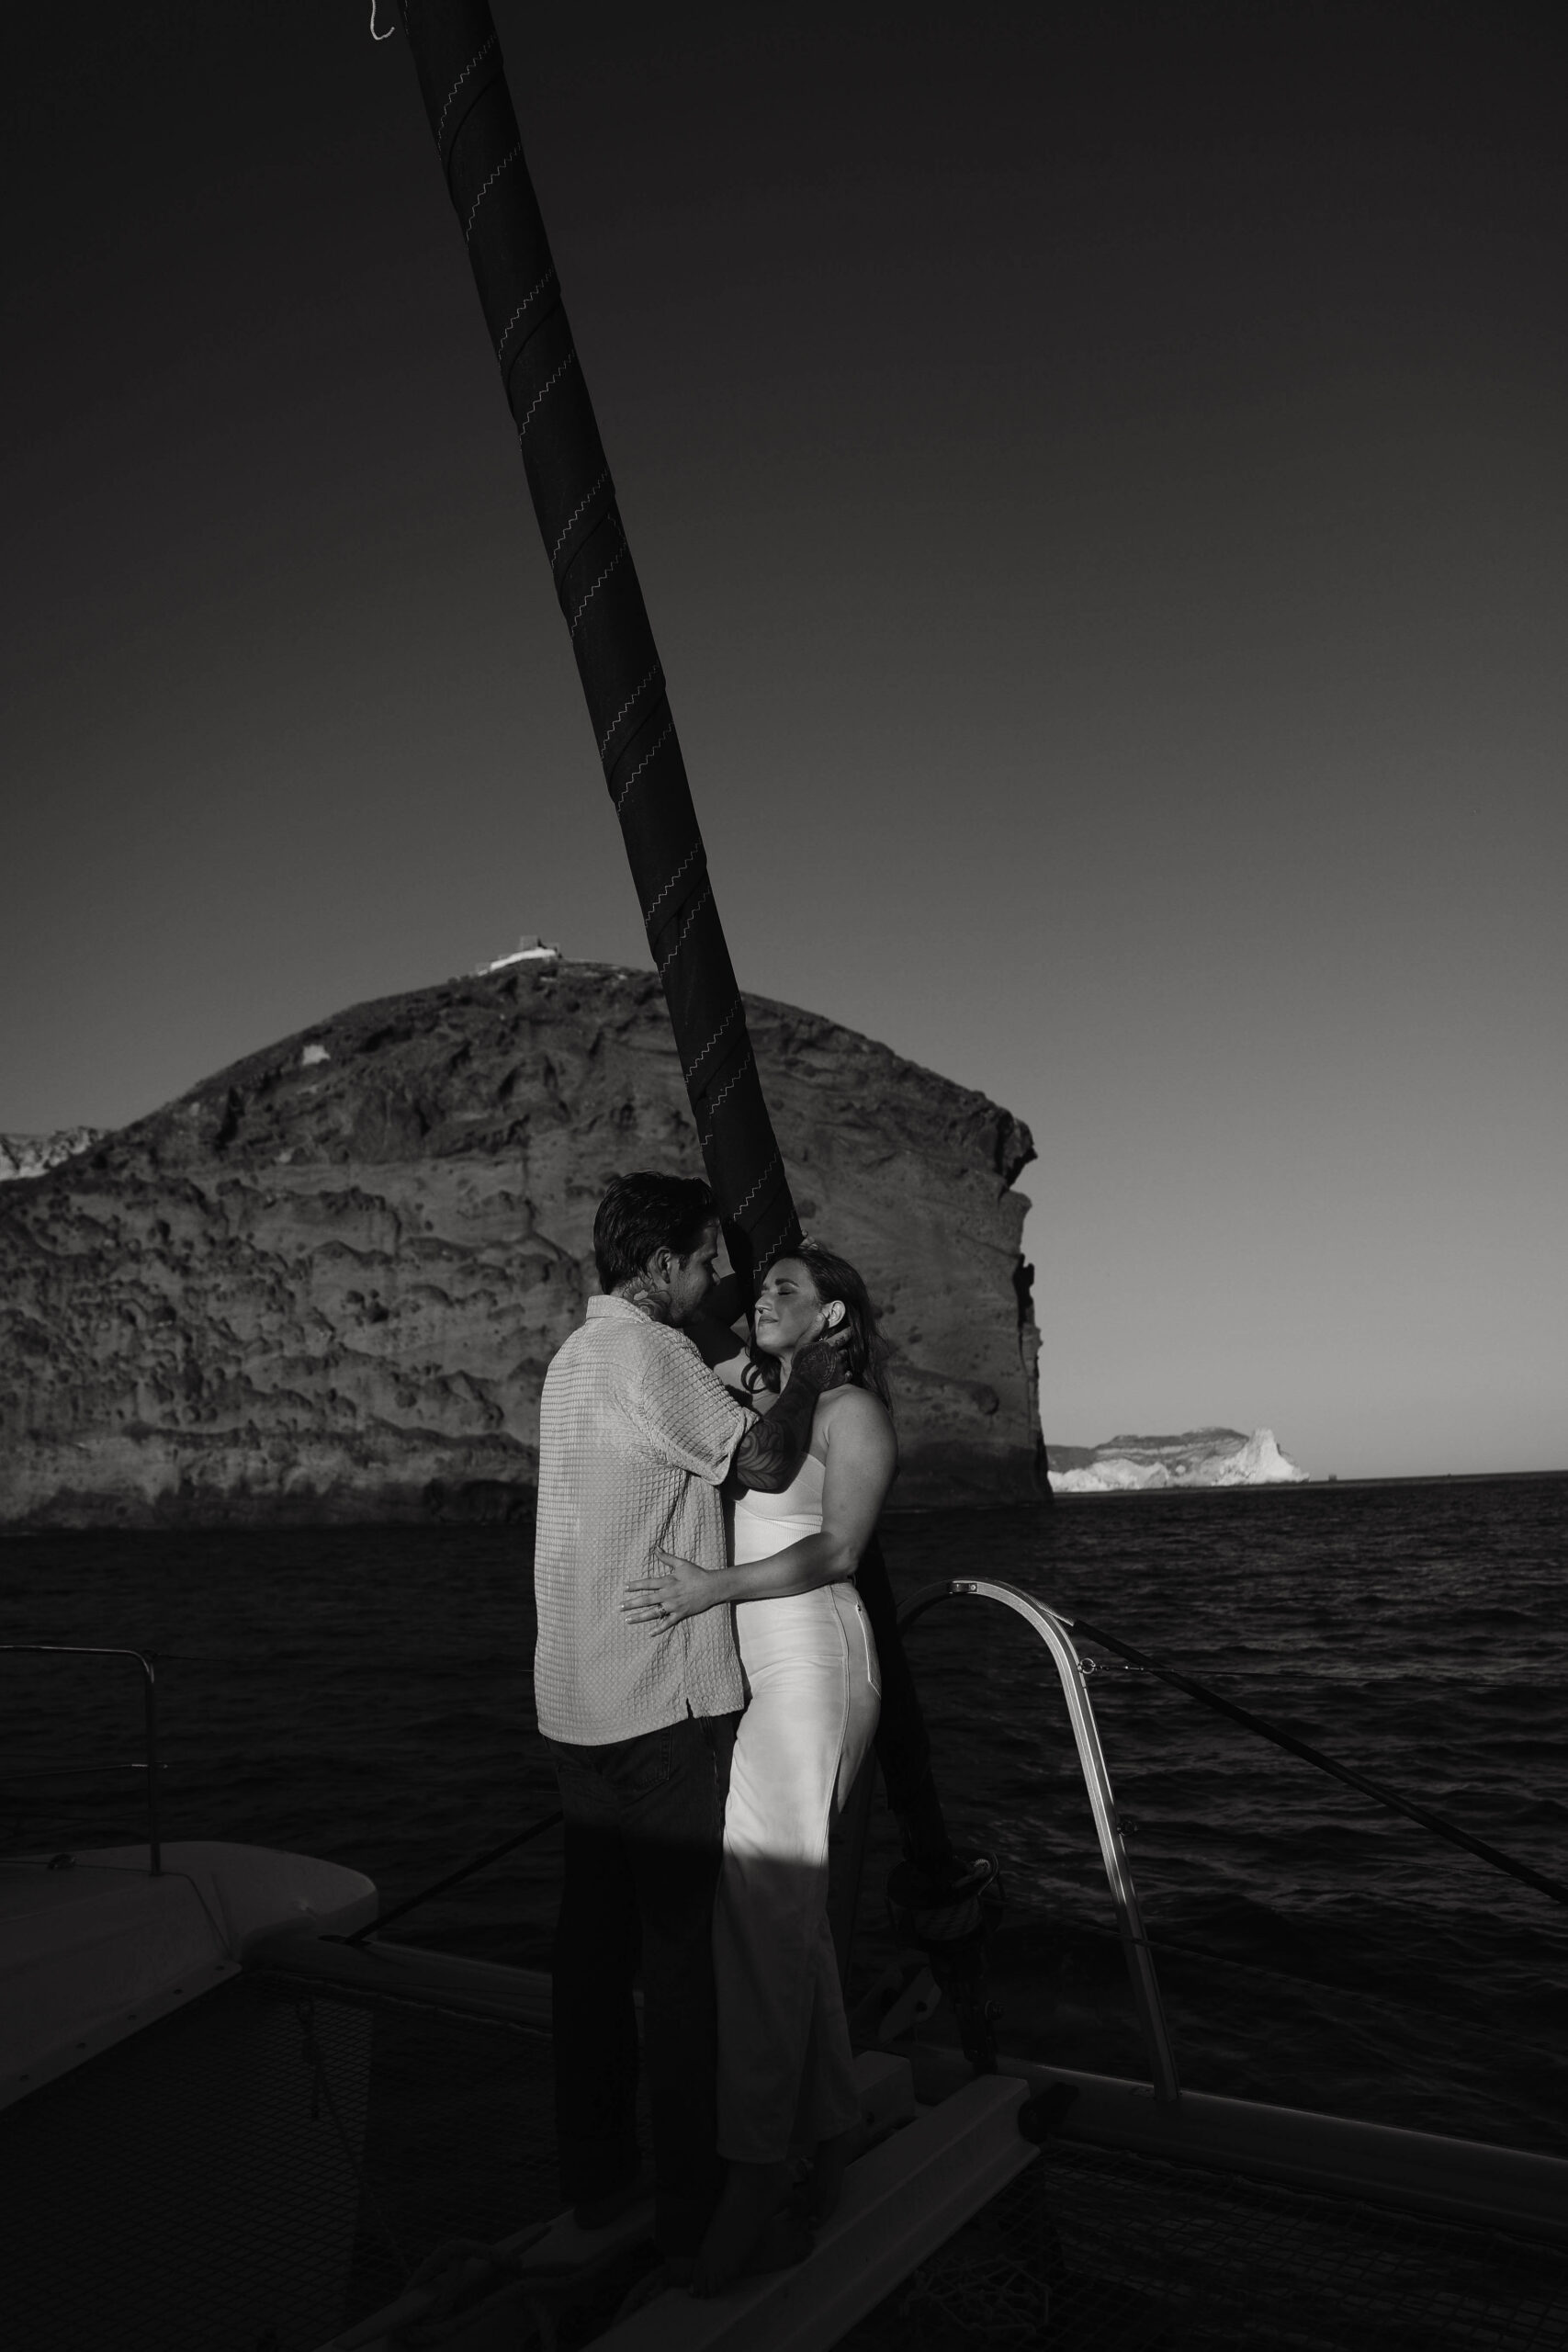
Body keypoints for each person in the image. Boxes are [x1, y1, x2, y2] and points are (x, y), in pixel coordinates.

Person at [533, 1172, 850, 2272]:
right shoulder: (646, 1357)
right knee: (678, 1970)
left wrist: (735, 1358)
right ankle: (695, 2215)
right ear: (662, 1265)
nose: (719, 1279)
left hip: (574, 1707)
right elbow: (762, 1458)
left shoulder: (577, 1358)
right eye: (708, 1259)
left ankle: (598, 2181)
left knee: (589, 1958)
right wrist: (805, 1373)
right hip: (659, 1704)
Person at [623, 1240, 897, 2291]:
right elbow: (705, 1327)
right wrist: (760, 1294)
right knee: (787, 1921)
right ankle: (828, 2137)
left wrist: (709, 1591)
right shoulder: (767, 1393)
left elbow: (837, 1552)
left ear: (836, 1316)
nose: (762, 1303)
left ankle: (752, 2173)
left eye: (790, 1289)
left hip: (817, 1656)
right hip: (766, 1662)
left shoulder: (851, 1412)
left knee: (762, 1914)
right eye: (764, 1288)